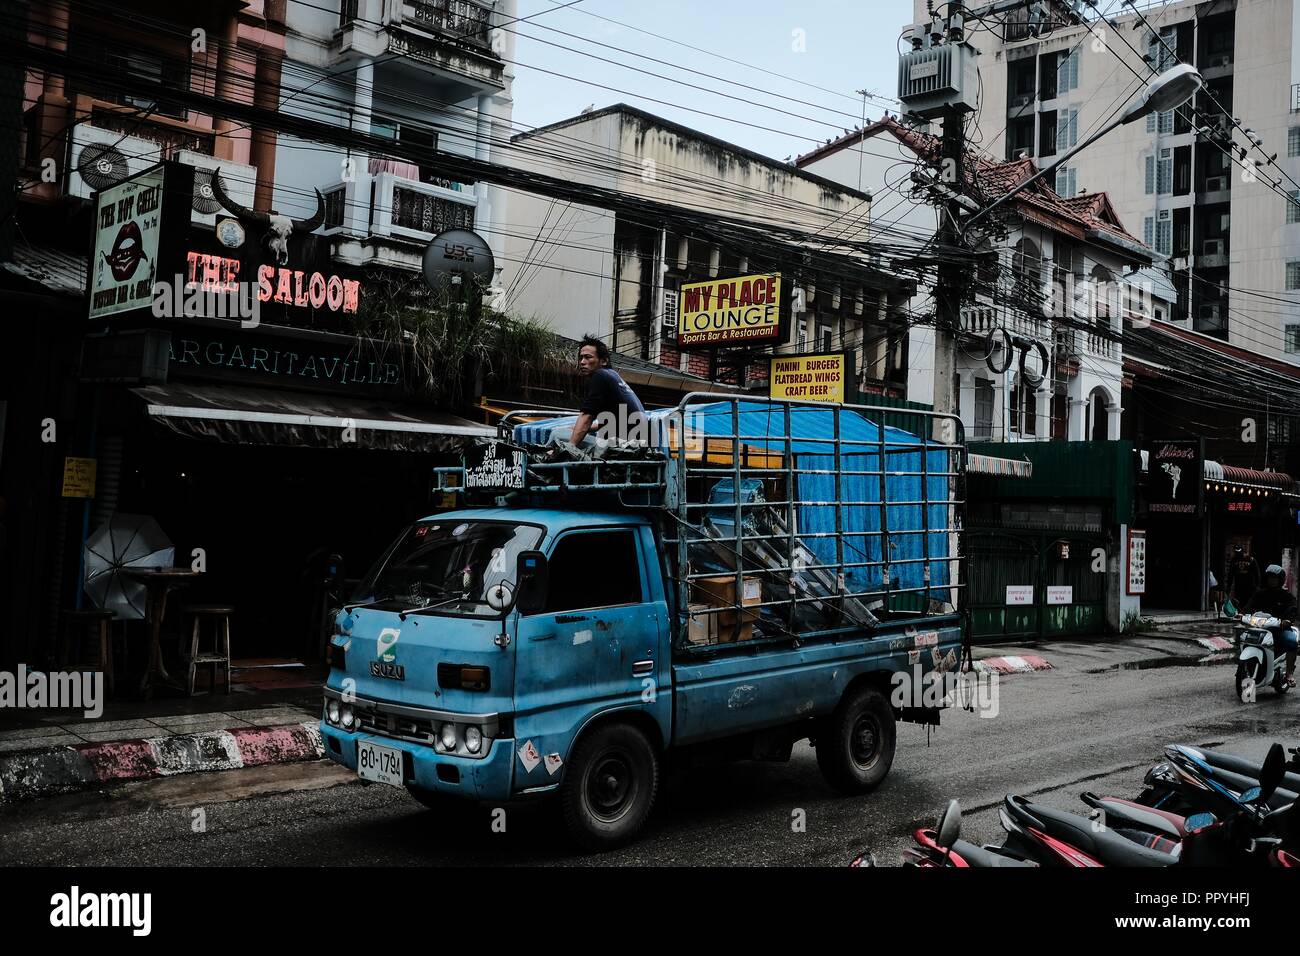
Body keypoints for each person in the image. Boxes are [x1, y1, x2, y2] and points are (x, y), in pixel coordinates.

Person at [568, 335, 646, 447]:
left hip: (623, 446)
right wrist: (579, 428)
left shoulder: (600, 375)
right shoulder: (613, 376)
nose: (582, 362)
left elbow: (586, 416)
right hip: (638, 446)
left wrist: (568, 448)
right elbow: (613, 422)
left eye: (588, 357)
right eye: (581, 358)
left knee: (557, 434)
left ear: (604, 361)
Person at [1243, 563, 1297, 689]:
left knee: (1291, 641)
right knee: (1245, 637)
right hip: (1261, 627)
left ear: (1280, 580)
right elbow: (1249, 606)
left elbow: (1293, 609)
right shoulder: (1259, 594)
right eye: (1270, 578)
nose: (1272, 581)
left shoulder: (1286, 596)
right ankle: (1245, 666)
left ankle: (1289, 674)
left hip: (1280, 628)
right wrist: (1241, 614)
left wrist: (1288, 620)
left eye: (1275, 578)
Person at [1226, 546, 1261, 610]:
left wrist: (1257, 585)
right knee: (1239, 603)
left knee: (1249, 603)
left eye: (1239, 551)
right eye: (1236, 552)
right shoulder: (1234, 560)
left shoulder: (1251, 559)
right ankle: (1241, 615)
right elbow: (1230, 574)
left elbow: (1257, 573)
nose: (1238, 553)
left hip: (1250, 586)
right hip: (1239, 586)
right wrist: (1229, 586)